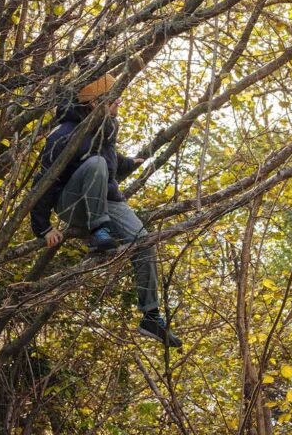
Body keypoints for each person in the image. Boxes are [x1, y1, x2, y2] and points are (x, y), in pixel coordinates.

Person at [30, 73, 182, 348]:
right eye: (113, 98)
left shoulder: (106, 127)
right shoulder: (64, 134)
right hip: (73, 204)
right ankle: (98, 231)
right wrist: (43, 227)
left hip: (106, 199)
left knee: (145, 243)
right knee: (97, 163)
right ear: (94, 103)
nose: (119, 102)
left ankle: (150, 315)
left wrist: (129, 163)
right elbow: (44, 180)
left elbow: (108, 161)